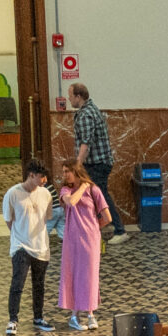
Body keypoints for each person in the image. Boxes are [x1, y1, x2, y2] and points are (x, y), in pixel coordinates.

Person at [1, 159, 55, 336]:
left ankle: (38, 317)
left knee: (39, 284)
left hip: (41, 247)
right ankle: (13, 319)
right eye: (41, 177)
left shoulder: (45, 194)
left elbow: (47, 217)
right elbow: (9, 221)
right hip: (20, 247)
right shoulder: (13, 194)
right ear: (31, 175)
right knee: (18, 283)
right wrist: (20, 235)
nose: (44, 180)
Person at [67, 81, 125, 239]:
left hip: (97, 164)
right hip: (99, 162)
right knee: (96, 196)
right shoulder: (89, 109)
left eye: (70, 96)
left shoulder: (86, 114)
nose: (69, 99)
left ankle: (120, 230)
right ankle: (97, 228)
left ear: (79, 96)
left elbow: (86, 143)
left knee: (101, 196)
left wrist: (77, 164)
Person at [53, 161, 106, 331]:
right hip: (72, 241)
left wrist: (93, 228)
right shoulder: (65, 190)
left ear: (77, 171)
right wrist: (82, 187)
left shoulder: (94, 190)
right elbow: (71, 202)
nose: (65, 174)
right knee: (73, 274)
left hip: (90, 241)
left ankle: (90, 313)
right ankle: (74, 315)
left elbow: (107, 217)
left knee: (90, 275)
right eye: (64, 171)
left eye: (68, 171)